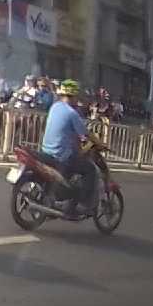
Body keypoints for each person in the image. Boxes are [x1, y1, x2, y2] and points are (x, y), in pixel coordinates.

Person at [40, 80, 97, 213]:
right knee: (90, 169)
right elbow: (85, 134)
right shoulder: (72, 113)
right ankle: (83, 204)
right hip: (61, 156)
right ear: (74, 95)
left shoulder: (55, 107)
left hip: (46, 151)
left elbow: (70, 134)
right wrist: (100, 142)